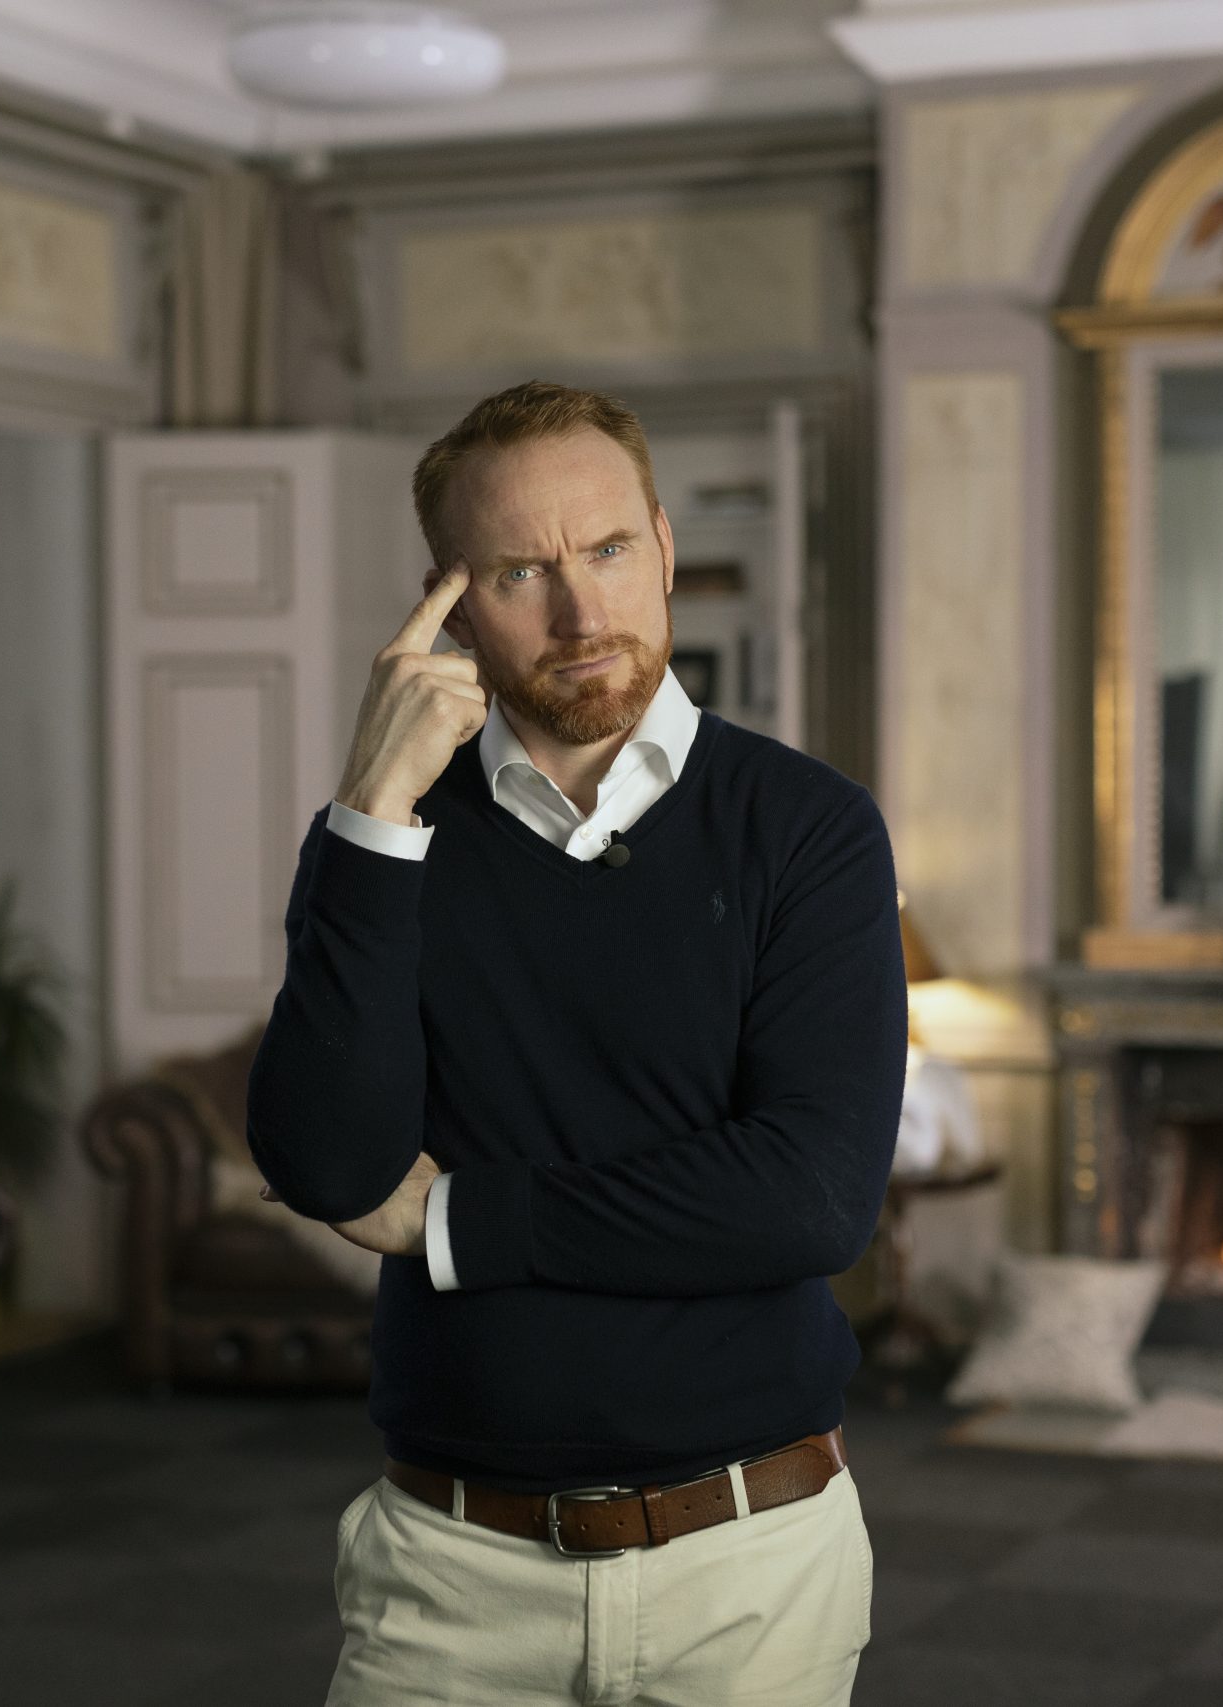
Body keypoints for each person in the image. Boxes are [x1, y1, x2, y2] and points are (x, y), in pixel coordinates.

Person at [245, 380, 905, 1707]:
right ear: (447, 606)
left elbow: (811, 1200)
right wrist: (373, 805)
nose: (581, 611)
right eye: (519, 572)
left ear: (662, 548)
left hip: (752, 1567)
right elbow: (327, 1166)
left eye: (607, 550)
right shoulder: (382, 844)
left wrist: (457, 1222)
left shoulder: (811, 829)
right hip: (449, 1576)